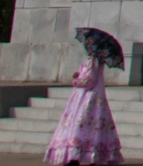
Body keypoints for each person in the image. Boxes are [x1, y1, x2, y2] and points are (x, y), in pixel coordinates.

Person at [47, 28, 123, 165]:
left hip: (87, 97)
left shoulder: (93, 60)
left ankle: (76, 155)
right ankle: (90, 155)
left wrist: (76, 81)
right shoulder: (98, 61)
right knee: (91, 125)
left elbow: (89, 79)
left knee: (81, 123)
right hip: (93, 95)